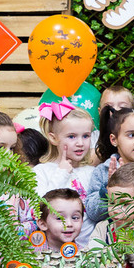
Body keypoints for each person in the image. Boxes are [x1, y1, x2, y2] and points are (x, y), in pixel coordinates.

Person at [86, 108, 134, 225]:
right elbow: (92, 214)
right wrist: (108, 188)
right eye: (132, 135)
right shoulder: (102, 171)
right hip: (109, 234)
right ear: (114, 139)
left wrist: (131, 186)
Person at [33, 105, 97, 248]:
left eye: (85, 136)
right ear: (53, 138)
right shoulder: (41, 172)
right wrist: (61, 173)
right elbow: (39, 208)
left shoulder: (91, 172)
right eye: (72, 136)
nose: (80, 143)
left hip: (88, 251)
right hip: (52, 252)